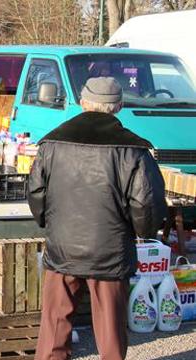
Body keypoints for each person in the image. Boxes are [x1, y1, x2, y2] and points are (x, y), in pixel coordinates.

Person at [29, 77, 166, 360]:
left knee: (55, 324)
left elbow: (36, 193)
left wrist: (49, 223)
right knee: (110, 329)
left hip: (63, 246)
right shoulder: (134, 149)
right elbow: (146, 204)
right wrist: (142, 232)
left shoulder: (52, 142)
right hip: (111, 250)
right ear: (119, 106)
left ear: (82, 102)